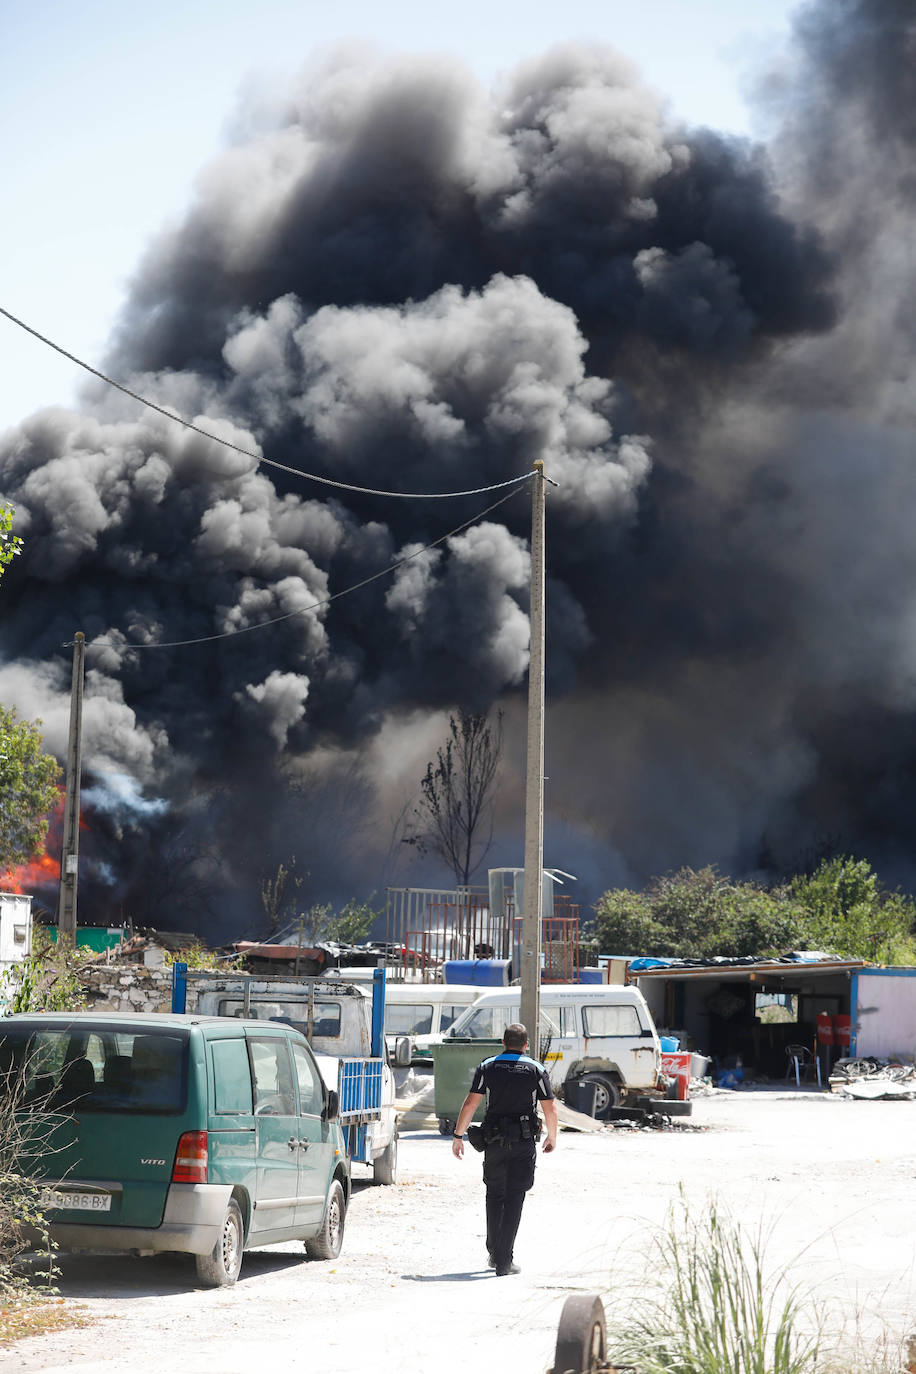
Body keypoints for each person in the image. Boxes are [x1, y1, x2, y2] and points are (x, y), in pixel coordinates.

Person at [451, 1022, 558, 1276]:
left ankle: (494, 1251)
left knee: (494, 1194)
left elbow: (470, 1104)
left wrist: (458, 1136)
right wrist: (552, 1137)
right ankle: (503, 1259)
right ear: (526, 1044)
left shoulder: (487, 1066)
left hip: (494, 1141)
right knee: (515, 1197)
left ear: (503, 1043)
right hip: (523, 1142)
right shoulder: (536, 1068)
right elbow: (550, 1107)